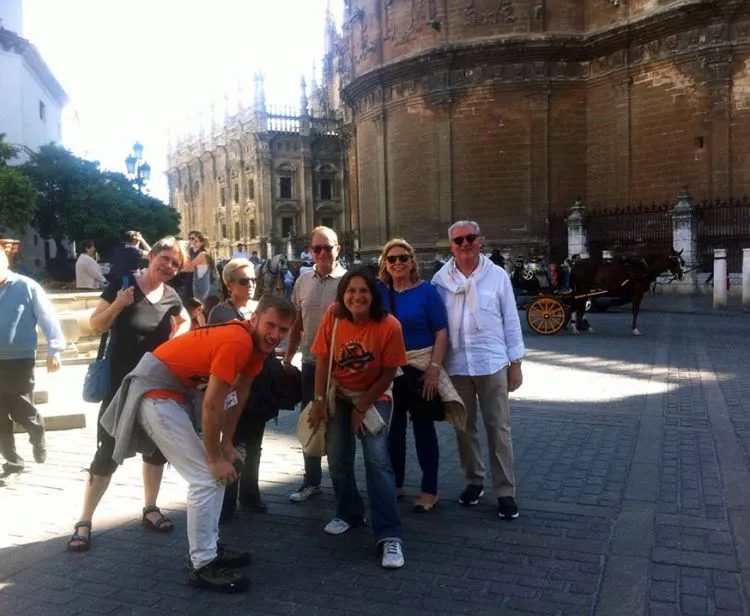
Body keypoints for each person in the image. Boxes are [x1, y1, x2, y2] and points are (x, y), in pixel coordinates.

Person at [98, 294, 296, 592]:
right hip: (154, 391)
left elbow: (239, 394)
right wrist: (216, 456)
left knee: (213, 476)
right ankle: (202, 564)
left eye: (283, 330)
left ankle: (209, 548)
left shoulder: (255, 347)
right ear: (254, 319)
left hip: (171, 393)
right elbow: (212, 406)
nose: (275, 335)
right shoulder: (238, 342)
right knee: (206, 476)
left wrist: (226, 445)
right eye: (270, 325)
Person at [67, 237, 190, 551]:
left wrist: (178, 338)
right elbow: (94, 326)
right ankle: (84, 520)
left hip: (155, 386)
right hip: (120, 388)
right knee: (106, 452)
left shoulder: (172, 296)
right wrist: (120, 304)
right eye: (165, 258)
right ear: (151, 256)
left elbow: (185, 320)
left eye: (175, 264)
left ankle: (150, 507)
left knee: (156, 450)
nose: (168, 266)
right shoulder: (123, 285)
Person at [308, 267, 407, 568]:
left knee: (377, 461)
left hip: (375, 396)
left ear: (373, 295)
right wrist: (318, 400)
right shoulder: (334, 316)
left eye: (363, 290)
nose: (357, 296)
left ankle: (389, 535)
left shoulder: (389, 325)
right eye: (351, 290)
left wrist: (363, 406)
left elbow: (390, 371)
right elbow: (322, 358)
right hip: (339, 393)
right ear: (343, 295)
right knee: (337, 457)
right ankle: (349, 511)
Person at [432, 220, 525, 520]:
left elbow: (511, 320)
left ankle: (505, 491)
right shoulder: (440, 280)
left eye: (470, 238)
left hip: (492, 362)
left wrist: (516, 363)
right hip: (457, 365)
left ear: (480, 241)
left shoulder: (497, 276)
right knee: (463, 428)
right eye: (458, 240)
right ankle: (474, 480)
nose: (465, 244)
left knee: (498, 428)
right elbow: (437, 326)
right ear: (452, 247)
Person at [377, 239, 449, 513]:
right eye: (392, 259)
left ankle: (429, 490)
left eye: (402, 258)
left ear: (412, 261)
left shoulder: (426, 292)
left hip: (419, 368)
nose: (397, 263)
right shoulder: (380, 292)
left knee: (423, 430)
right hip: (391, 369)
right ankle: (396, 484)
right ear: (385, 263)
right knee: (393, 431)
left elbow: (441, 331)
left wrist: (434, 369)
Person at [283, 226, 346, 503]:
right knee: (311, 421)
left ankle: (342, 483)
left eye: (327, 248)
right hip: (310, 362)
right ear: (310, 251)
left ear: (338, 249)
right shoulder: (302, 281)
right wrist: (287, 357)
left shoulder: (348, 282)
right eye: (316, 249)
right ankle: (311, 481)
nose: (322, 253)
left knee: (339, 426)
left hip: (342, 366)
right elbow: (296, 323)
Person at [207, 259, 267, 516]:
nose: (251, 285)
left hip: (258, 385)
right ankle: (227, 499)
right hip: (231, 387)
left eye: (253, 280)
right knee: (231, 442)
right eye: (244, 281)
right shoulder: (220, 313)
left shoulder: (260, 308)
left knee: (254, 442)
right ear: (229, 284)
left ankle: (251, 494)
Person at [0, 248, 65, 483]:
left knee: (21, 409)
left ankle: (37, 430)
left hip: (20, 360)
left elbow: (47, 317)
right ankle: (13, 463)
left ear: (4, 262)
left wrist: (54, 348)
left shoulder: (27, 287)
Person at [183, 231, 217, 302]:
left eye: (196, 241)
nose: (193, 243)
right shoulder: (203, 253)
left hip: (202, 286)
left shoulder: (202, 254)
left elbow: (189, 267)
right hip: (200, 285)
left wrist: (186, 250)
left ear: (201, 243)